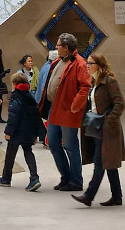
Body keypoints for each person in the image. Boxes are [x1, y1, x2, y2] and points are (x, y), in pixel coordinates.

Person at [37, 33, 91, 191]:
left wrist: (75, 105)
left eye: (58, 45)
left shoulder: (79, 63)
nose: (56, 47)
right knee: (53, 143)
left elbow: (85, 87)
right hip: (55, 108)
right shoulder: (58, 61)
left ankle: (75, 181)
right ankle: (66, 177)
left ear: (66, 47)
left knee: (70, 145)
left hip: (68, 109)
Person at [71, 53, 125, 207]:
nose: (87, 66)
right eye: (87, 63)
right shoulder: (94, 82)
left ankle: (89, 195)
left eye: (90, 63)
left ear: (99, 65)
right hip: (95, 126)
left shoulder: (109, 81)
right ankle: (117, 196)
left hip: (106, 128)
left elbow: (119, 104)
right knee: (109, 162)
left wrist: (109, 121)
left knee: (100, 162)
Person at [0, 72, 44, 191]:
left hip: (17, 132)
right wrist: (36, 133)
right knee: (28, 152)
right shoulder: (30, 97)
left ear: (14, 84)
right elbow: (36, 116)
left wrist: (8, 132)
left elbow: (13, 117)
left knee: (10, 154)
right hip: (29, 131)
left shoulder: (16, 97)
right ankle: (34, 178)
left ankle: (6, 178)